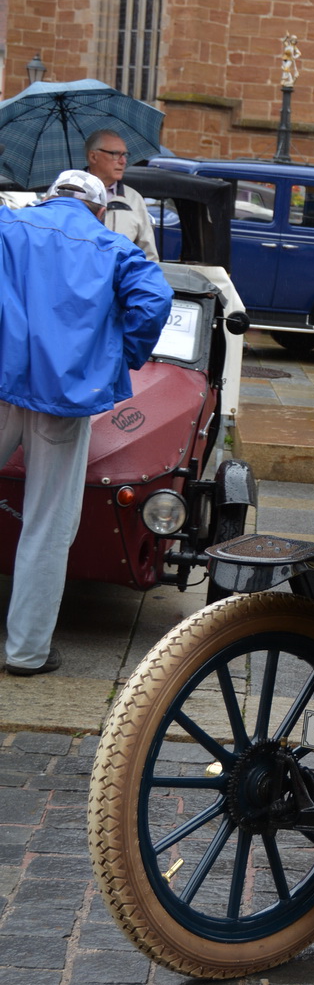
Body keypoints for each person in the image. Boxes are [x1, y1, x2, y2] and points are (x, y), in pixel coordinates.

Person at [0, 169, 172, 674]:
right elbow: (155, 299)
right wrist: (119, 357)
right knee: (48, 524)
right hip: (64, 396)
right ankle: (27, 652)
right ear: (99, 210)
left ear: (49, 197)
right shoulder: (111, 246)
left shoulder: (9, 225)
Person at [85, 129, 159, 260]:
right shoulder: (66, 193)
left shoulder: (134, 199)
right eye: (115, 154)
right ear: (93, 157)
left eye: (125, 154)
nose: (123, 161)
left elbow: (148, 256)